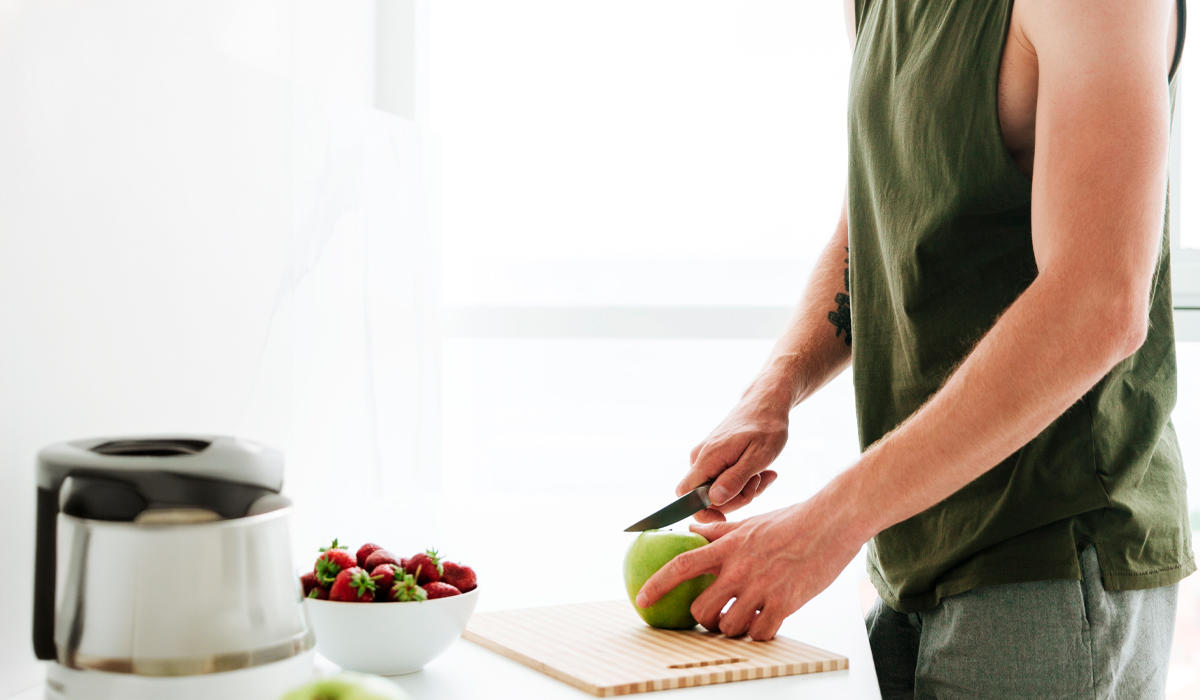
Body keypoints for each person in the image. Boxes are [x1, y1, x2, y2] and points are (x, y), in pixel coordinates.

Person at [635, 0, 1194, 696]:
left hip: (1051, 562)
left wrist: (825, 526)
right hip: (911, 549)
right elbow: (875, 222)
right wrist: (774, 391)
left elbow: (1100, 307)